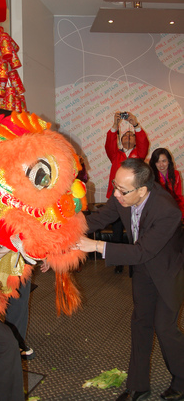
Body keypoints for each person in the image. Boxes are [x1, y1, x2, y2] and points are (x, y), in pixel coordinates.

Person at [77, 158, 184, 401]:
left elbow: (141, 251)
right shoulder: (124, 196)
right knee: (140, 323)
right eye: (115, 185)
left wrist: (95, 245)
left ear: (143, 190)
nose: (115, 194)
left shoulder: (168, 211)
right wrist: (62, 229)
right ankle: (138, 386)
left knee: (165, 328)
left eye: (122, 190)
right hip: (143, 269)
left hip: (168, 271)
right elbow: (97, 219)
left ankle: (182, 377)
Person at [105, 112, 149, 274]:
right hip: (117, 199)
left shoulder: (140, 155)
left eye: (132, 135)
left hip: (134, 199)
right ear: (121, 140)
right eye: (125, 135)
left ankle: (133, 264)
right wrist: (115, 125)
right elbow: (109, 144)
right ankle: (117, 263)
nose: (128, 137)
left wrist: (135, 124)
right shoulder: (116, 155)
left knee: (133, 232)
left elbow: (144, 142)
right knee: (117, 233)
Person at [149, 147, 184, 220]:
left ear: (169, 161)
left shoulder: (176, 174)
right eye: (158, 162)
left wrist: (181, 213)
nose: (161, 165)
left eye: (164, 161)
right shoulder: (150, 177)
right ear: (154, 163)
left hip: (173, 209)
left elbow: (178, 197)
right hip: (157, 212)